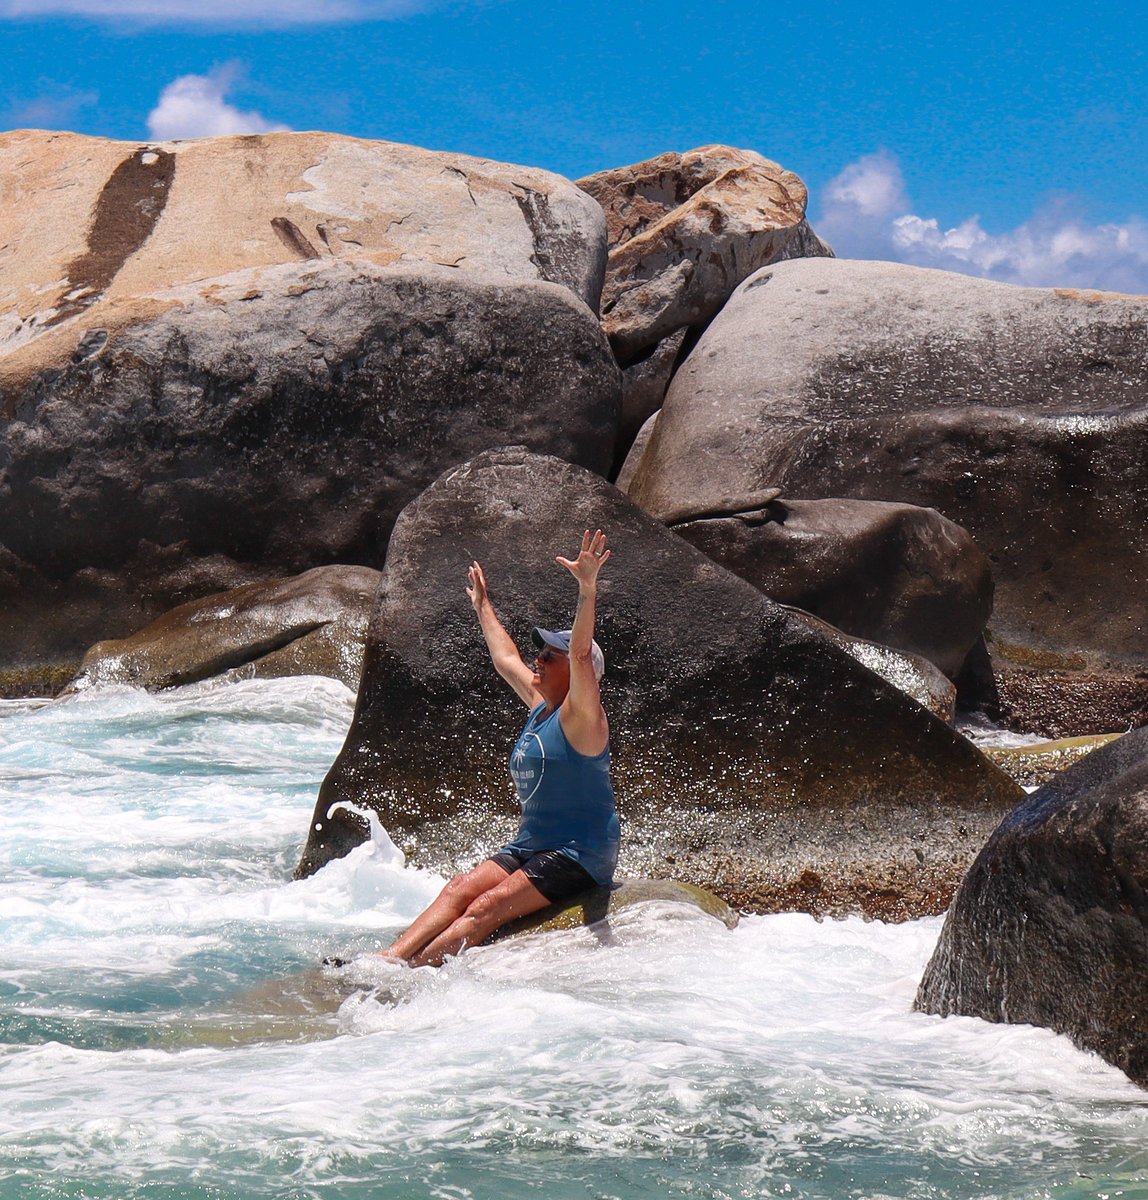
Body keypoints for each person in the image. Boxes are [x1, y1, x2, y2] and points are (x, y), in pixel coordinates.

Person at [379, 528, 619, 967]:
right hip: (533, 844)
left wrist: (587, 589)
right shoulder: (541, 707)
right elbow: (506, 659)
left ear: (576, 671)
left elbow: (582, 655)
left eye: (550, 656)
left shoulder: (584, 719)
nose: (538, 659)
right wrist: (482, 605)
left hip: (578, 853)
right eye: (540, 652)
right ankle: (387, 960)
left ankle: (412, 973)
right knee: (458, 888)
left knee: (485, 907)